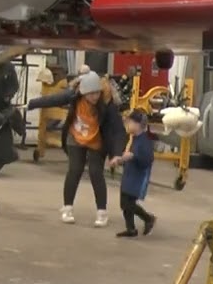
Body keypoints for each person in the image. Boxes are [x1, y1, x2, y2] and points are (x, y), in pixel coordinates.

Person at [27, 70, 126, 227]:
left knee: (95, 173)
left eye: (97, 93)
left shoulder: (107, 103)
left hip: (97, 140)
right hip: (75, 136)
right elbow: (54, 99)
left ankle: (102, 212)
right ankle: (67, 208)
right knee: (74, 170)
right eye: (90, 94)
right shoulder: (74, 95)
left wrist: (117, 153)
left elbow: (118, 130)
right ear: (83, 92)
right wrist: (32, 104)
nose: (94, 97)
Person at [109, 109, 156, 237]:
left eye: (129, 122)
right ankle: (131, 228)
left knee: (128, 203)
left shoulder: (144, 141)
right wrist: (120, 159)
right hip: (129, 174)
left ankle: (148, 218)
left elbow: (147, 159)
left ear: (138, 124)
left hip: (137, 177)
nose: (127, 125)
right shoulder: (134, 138)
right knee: (124, 203)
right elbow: (128, 155)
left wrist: (133, 157)